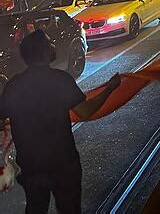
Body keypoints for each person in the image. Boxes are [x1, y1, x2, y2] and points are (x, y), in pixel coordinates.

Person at [0, 30, 121, 213]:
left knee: (35, 207)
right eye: (50, 43)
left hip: (31, 165)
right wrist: (109, 88)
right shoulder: (60, 80)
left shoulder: (15, 85)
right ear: (44, 52)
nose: (54, 45)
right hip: (62, 163)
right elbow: (85, 111)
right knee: (69, 208)